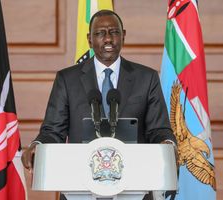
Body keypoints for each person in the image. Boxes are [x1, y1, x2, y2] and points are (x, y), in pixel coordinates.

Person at [22, 10, 177, 200]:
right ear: (89, 39)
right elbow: (53, 131)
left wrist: (168, 145)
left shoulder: (147, 78)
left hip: (134, 189)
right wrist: (38, 145)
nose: (108, 39)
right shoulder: (67, 79)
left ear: (123, 36)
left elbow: (158, 130)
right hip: (78, 188)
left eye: (114, 32)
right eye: (100, 33)